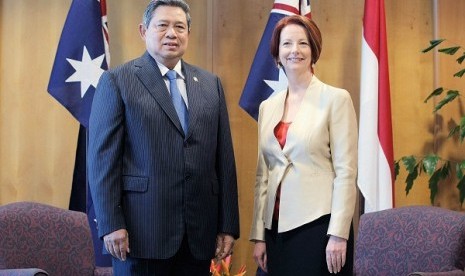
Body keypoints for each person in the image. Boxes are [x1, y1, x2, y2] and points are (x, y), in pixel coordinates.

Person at [87, 1, 240, 275]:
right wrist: (111, 222)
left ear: (188, 34)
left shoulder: (210, 85)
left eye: (180, 27)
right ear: (143, 31)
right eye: (163, 25)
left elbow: (224, 161)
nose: (172, 33)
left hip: (198, 236)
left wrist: (228, 224)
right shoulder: (117, 81)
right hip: (140, 234)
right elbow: (102, 161)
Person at [250, 15, 357, 275]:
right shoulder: (267, 106)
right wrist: (259, 235)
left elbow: (346, 172)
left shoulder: (336, 99)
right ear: (277, 53)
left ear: (314, 51)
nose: (294, 50)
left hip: (320, 227)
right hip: (275, 231)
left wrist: (339, 235)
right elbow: (263, 175)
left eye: (303, 44)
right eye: (287, 44)